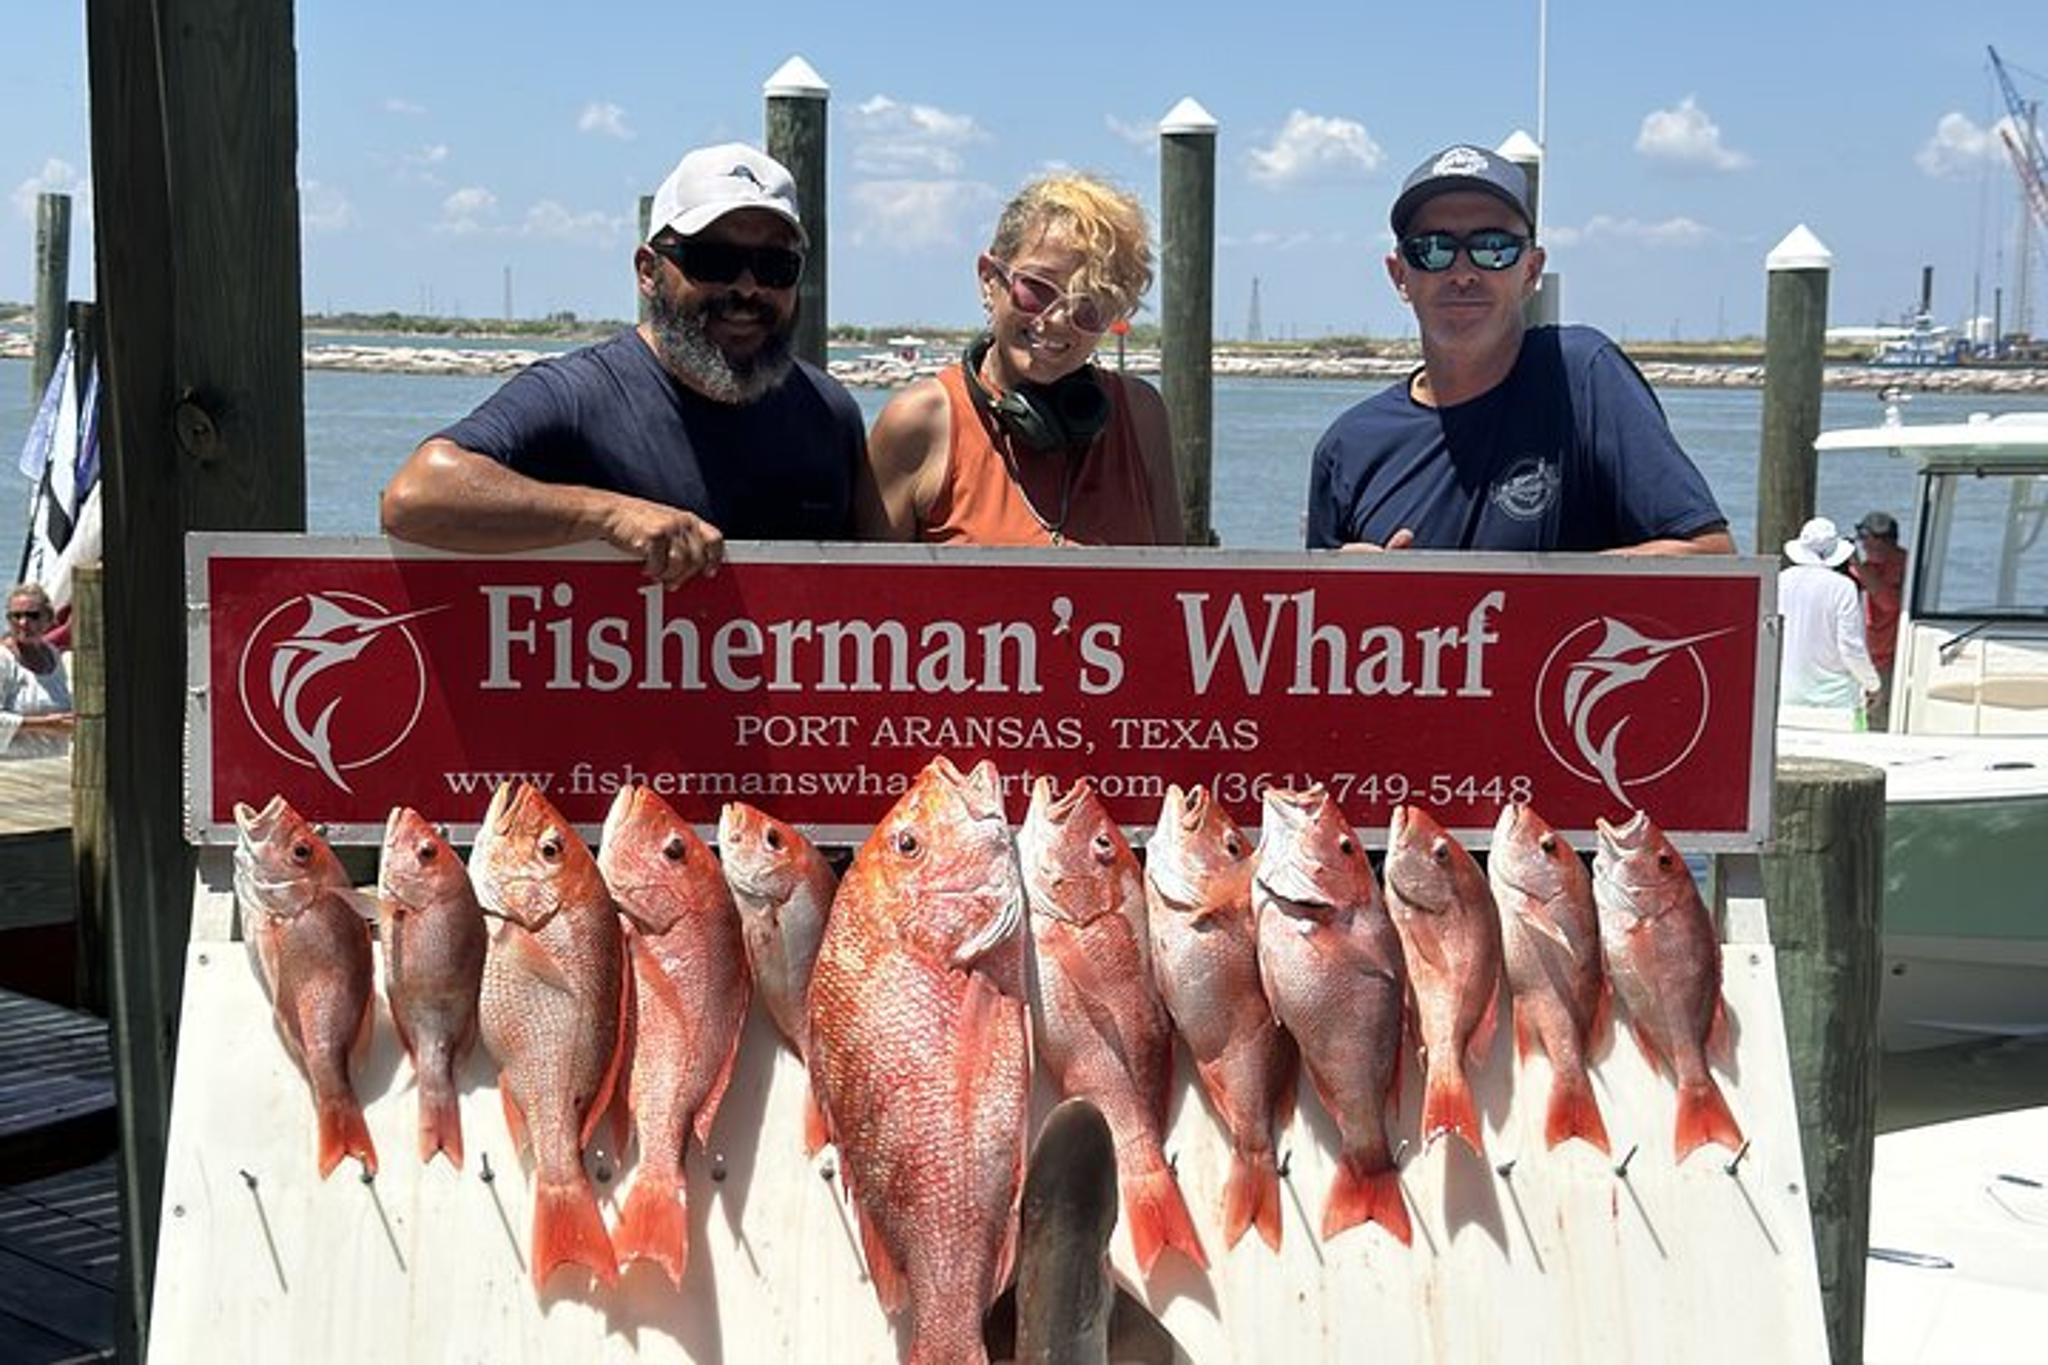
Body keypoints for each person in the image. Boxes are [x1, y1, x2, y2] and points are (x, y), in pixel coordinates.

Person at [380, 143, 866, 585]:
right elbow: (415, 498)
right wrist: (606, 516)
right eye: (714, 261)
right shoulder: (575, 395)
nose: (746, 288)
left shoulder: (830, 413)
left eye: (774, 267)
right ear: (648, 272)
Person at [1305, 144, 1733, 555]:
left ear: (1531, 270)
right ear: (1400, 275)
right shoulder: (1347, 447)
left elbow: (1710, 557)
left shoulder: (1582, 378)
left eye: (1493, 248)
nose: (1463, 273)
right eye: (1432, 249)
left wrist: (1530, 593)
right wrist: (1355, 584)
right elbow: (1307, 618)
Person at [856, 173, 1181, 546]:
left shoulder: (1141, 415)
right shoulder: (917, 424)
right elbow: (868, 597)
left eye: (1090, 306)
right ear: (988, 279)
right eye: (1037, 289)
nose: (1058, 320)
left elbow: (1175, 587)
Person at [1778, 517, 1882, 729]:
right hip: (1837, 705)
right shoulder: (1843, 587)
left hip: (1785, 698)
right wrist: (1873, 684)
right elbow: (1850, 647)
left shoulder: (1780, 581)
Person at [1, 583, 74, 760]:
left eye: (32, 615)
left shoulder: (55, 656)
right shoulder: (4, 661)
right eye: (16, 616)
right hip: (11, 774)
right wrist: (47, 724)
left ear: (48, 619)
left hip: (52, 770)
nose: (23, 623)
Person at [1851, 510, 1907, 730]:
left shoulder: (1904, 564)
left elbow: (1889, 603)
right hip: (1871, 657)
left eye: (1865, 540)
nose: (1863, 546)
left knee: (1882, 718)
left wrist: (1856, 564)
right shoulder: (1871, 568)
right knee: (1869, 714)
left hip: (1894, 657)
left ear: (1880, 540)